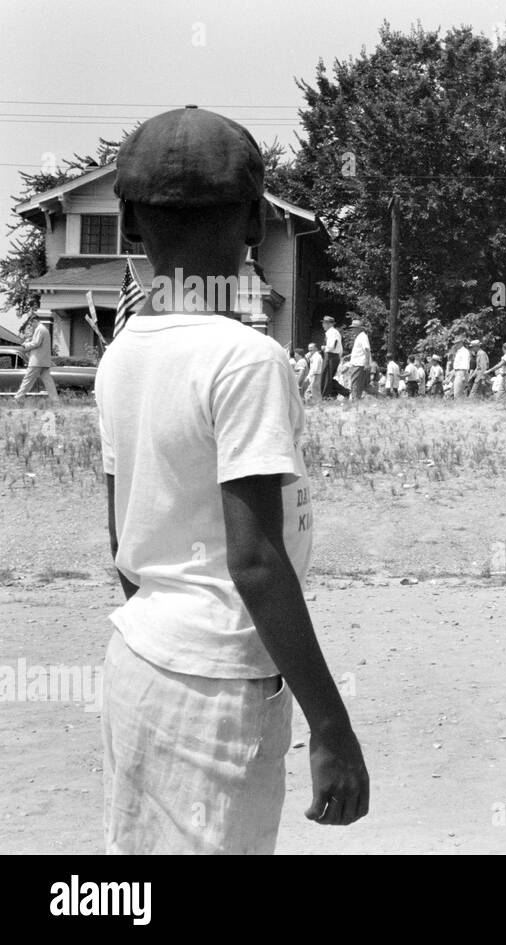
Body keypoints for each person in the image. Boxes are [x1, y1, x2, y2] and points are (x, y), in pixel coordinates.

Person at [97, 105, 367, 855]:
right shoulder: (246, 359)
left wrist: (169, 621)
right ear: (254, 222)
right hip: (218, 686)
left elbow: (121, 538)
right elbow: (254, 559)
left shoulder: (121, 355)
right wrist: (331, 725)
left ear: (127, 226)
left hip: (139, 656)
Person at [14, 312, 58, 404]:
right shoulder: (43, 329)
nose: (31, 325)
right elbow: (37, 342)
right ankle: (56, 401)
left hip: (37, 361)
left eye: (31, 323)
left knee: (27, 380)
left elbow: (36, 343)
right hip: (43, 361)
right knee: (48, 382)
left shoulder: (40, 329)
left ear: (34, 320)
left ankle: (18, 398)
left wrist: (25, 345)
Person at [346, 316, 372, 401]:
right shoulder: (359, 337)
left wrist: (367, 363)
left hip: (359, 364)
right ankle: (357, 399)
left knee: (355, 383)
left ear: (359, 328)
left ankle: (355, 400)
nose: (352, 329)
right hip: (357, 363)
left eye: (354, 328)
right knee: (360, 384)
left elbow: (367, 350)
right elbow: (359, 351)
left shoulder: (363, 336)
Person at [321, 315, 344, 399]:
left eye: (324, 323)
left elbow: (332, 346)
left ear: (328, 324)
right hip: (333, 356)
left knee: (326, 377)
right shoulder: (333, 332)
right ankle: (336, 394)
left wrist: (324, 348)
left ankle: (326, 397)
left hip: (331, 355)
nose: (323, 325)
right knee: (328, 377)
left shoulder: (332, 332)